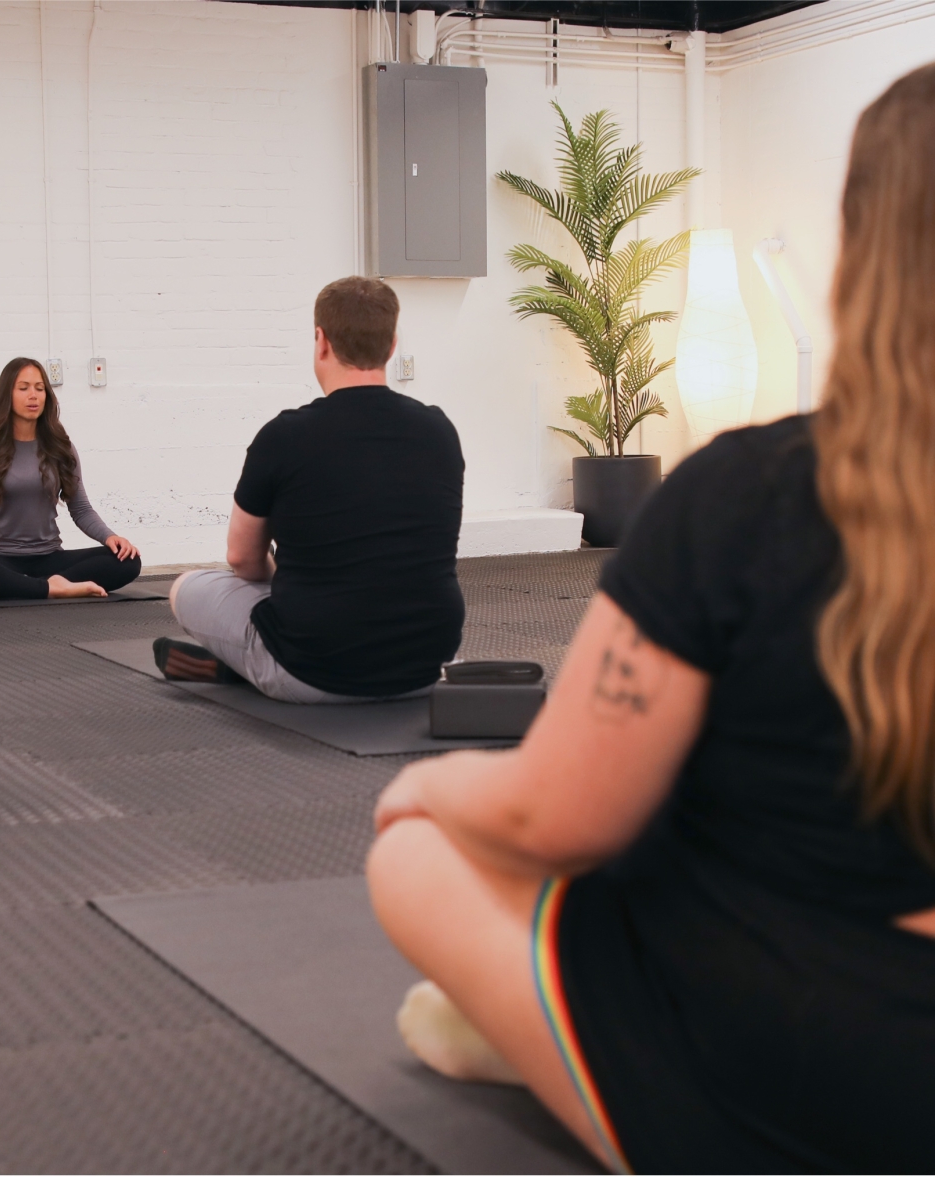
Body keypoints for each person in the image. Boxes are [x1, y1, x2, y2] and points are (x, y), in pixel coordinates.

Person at [366, 65, 935, 1175]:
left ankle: (603, 1075)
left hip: (831, 1061)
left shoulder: (748, 494)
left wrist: (426, 784)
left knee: (421, 852)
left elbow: (558, 817)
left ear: (865, 252)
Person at [158, 277, 464, 703]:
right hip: (425, 669)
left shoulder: (283, 435)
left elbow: (242, 559)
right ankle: (249, 664)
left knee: (186, 586)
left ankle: (250, 667)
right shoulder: (440, 430)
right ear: (392, 345)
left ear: (321, 341)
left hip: (313, 672)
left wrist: (282, 582)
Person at [0, 358, 141, 600]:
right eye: (23, 388)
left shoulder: (61, 448)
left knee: (128, 561)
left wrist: (111, 537)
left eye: (39, 388)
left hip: (51, 559)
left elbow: (82, 509)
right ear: (8, 395)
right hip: (0, 559)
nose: (33, 395)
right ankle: (51, 589)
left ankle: (29, 586)